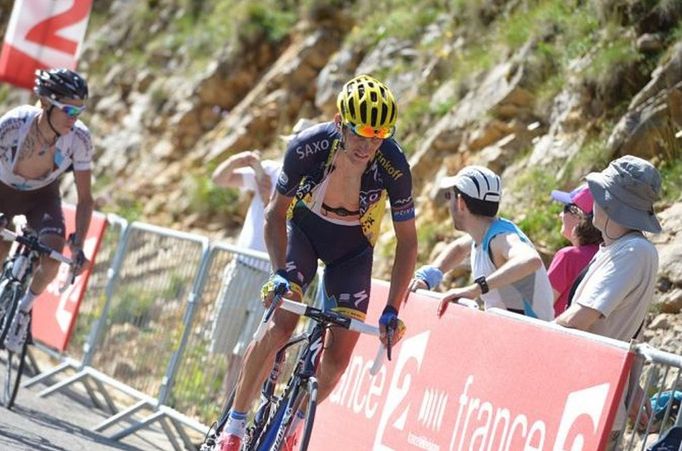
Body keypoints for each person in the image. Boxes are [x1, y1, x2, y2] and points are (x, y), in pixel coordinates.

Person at [215, 74, 417, 451]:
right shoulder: (307, 147)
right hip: (304, 235)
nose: (368, 145)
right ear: (341, 123)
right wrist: (279, 274)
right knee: (282, 322)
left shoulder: (393, 163)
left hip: (352, 252)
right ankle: (236, 424)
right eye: (360, 134)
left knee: (339, 357)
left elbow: (408, 241)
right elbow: (275, 215)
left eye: (379, 136)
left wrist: (392, 308)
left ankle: (295, 422)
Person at [554, 155, 661, 449]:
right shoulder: (619, 248)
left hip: (589, 405)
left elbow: (579, 318)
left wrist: (531, 340)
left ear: (611, 204)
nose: (592, 205)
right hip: (586, 400)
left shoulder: (632, 251)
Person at [0, 68, 93, 352]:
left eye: (80, 111)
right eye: (67, 109)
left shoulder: (79, 139)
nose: (74, 118)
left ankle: (23, 311)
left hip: (41, 197)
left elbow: (86, 198)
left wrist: (77, 246)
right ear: (45, 103)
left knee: (53, 256)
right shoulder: (14, 123)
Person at [410, 165, 554, 321]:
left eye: (449, 196)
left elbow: (530, 260)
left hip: (527, 338)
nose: (448, 203)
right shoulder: (484, 233)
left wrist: (475, 289)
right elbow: (458, 248)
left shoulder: (500, 238)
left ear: (461, 203)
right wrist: (428, 277)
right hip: (511, 332)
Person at [208, 149, 281, 393]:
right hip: (243, 268)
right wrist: (238, 160)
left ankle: (232, 417)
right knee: (230, 350)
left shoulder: (309, 184)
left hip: (271, 277)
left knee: (247, 352)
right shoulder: (270, 169)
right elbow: (219, 178)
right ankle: (225, 414)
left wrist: (267, 193)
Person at [548, 184, 602, 316]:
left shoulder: (568, 256)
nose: (561, 215)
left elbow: (539, 305)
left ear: (580, 217)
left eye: (566, 208)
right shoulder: (606, 256)